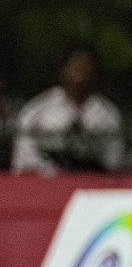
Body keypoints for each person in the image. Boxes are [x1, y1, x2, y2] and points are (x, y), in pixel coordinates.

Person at [11, 45, 125, 175]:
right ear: (63, 70)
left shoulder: (107, 113)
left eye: (86, 66)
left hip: (92, 182)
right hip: (45, 182)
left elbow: (113, 159)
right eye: (76, 65)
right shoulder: (39, 109)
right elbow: (23, 157)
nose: (81, 70)